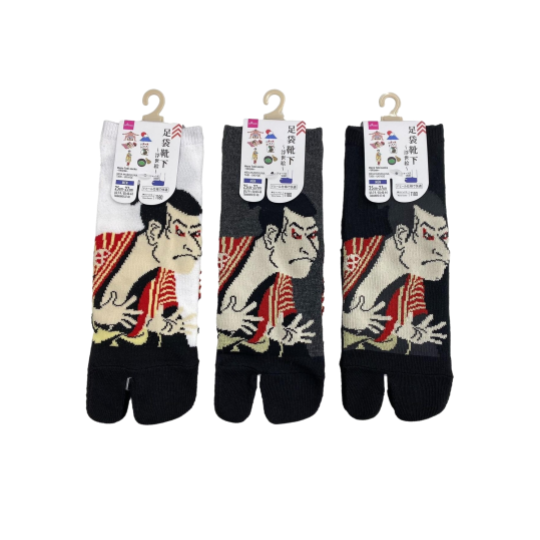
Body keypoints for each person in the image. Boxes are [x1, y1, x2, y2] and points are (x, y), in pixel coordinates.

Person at [342, 192, 449, 355]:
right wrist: (349, 320)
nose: (444, 252)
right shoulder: (355, 250)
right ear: (401, 236)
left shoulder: (414, 282)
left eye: (444, 236)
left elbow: (416, 321)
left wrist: (412, 335)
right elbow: (315, 296)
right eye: (428, 235)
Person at [92, 189, 202, 347]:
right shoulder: (107, 245)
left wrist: (161, 328)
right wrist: (100, 316)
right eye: (179, 232)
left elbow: (173, 319)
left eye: (196, 234)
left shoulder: (166, 277)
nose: (194, 248)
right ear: (154, 231)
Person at [217, 193, 320, 357]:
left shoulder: (283, 282)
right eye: (296, 235)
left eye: (312, 235)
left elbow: (286, 321)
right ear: (271, 236)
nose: (310, 250)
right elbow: (190, 297)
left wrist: (284, 336)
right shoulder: (226, 250)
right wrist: (220, 321)